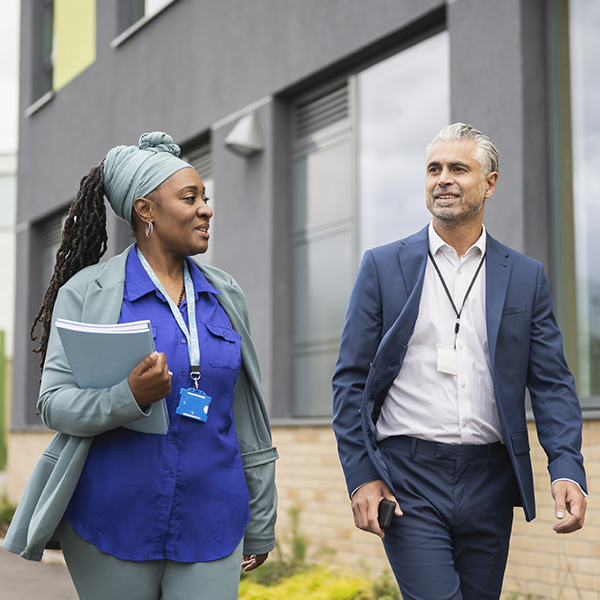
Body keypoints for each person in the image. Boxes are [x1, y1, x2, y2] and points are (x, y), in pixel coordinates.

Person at [3, 132, 278, 600]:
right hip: (111, 518)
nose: (206, 209)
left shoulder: (226, 295)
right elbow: (53, 403)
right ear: (146, 210)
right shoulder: (87, 293)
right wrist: (126, 398)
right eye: (189, 198)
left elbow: (247, 413)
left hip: (213, 513)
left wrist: (263, 517)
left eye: (205, 198)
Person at [332, 123, 587, 600]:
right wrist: (362, 475)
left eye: (458, 168)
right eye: (434, 169)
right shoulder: (383, 266)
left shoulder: (525, 276)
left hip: (491, 477)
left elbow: (551, 383)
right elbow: (350, 382)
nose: (443, 178)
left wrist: (566, 467)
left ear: (489, 183)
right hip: (409, 477)